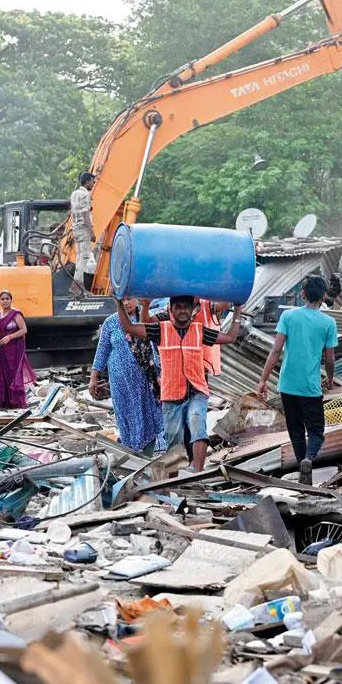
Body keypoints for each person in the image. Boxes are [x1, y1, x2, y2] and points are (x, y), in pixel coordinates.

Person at [116, 295, 242, 473]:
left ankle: (197, 471)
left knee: (197, 422)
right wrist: (118, 303)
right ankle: (175, 478)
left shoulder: (200, 331)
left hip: (196, 391)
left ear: (192, 310)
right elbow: (129, 327)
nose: (183, 310)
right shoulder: (161, 330)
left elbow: (230, 337)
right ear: (171, 309)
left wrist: (237, 308)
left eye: (186, 307)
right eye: (178, 307)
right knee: (174, 440)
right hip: (171, 395)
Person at [257, 276, 337, 485]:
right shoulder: (328, 323)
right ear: (323, 297)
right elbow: (329, 359)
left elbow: (275, 351)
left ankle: (303, 469)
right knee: (316, 430)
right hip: (309, 387)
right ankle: (308, 459)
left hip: (287, 385)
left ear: (302, 295)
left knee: (295, 429)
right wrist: (329, 379)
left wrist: (263, 380)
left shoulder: (288, 317)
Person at [89, 298, 165, 455]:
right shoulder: (110, 323)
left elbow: (160, 347)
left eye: (130, 298)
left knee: (149, 416)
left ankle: (147, 454)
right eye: (123, 299)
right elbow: (102, 351)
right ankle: (131, 454)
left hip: (146, 382)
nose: (127, 303)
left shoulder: (147, 319)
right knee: (126, 418)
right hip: (121, 383)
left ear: (137, 299)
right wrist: (93, 378)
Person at [0, 290, 36, 410]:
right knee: (3, 374)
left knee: (14, 373)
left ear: (11, 299)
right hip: (4, 349)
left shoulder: (16, 314)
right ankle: (5, 402)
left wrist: (10, 337)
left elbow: (24, 330)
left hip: (16, 347)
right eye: (2, 299)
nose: (5, 301)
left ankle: (17, 402)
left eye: (7, 298)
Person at [70, 172, 97, 287]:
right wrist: (92, 232)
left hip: (76, 229)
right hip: (84, 229)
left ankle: (76, 285)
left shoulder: (74, 194)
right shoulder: (85, 195)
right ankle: (77, 286)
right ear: (87, 182)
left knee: (79, 258)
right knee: (84, 258)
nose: (93, 183)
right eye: (92, 181)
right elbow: (85, 214)